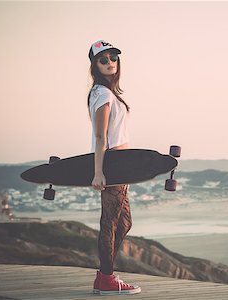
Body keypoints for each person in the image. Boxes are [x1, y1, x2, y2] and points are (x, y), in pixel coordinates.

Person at [87, 40, 141, 295]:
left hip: (122, 166)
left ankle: (103, 275)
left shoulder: (108, 93)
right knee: (110, 223)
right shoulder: (102, 94)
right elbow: (101, 136)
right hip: (112, 165)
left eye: (113, 58)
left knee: (124, 223)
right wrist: (99, 172)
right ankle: (107, 279)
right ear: (95, 65)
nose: (110, 63)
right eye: (103, 59)